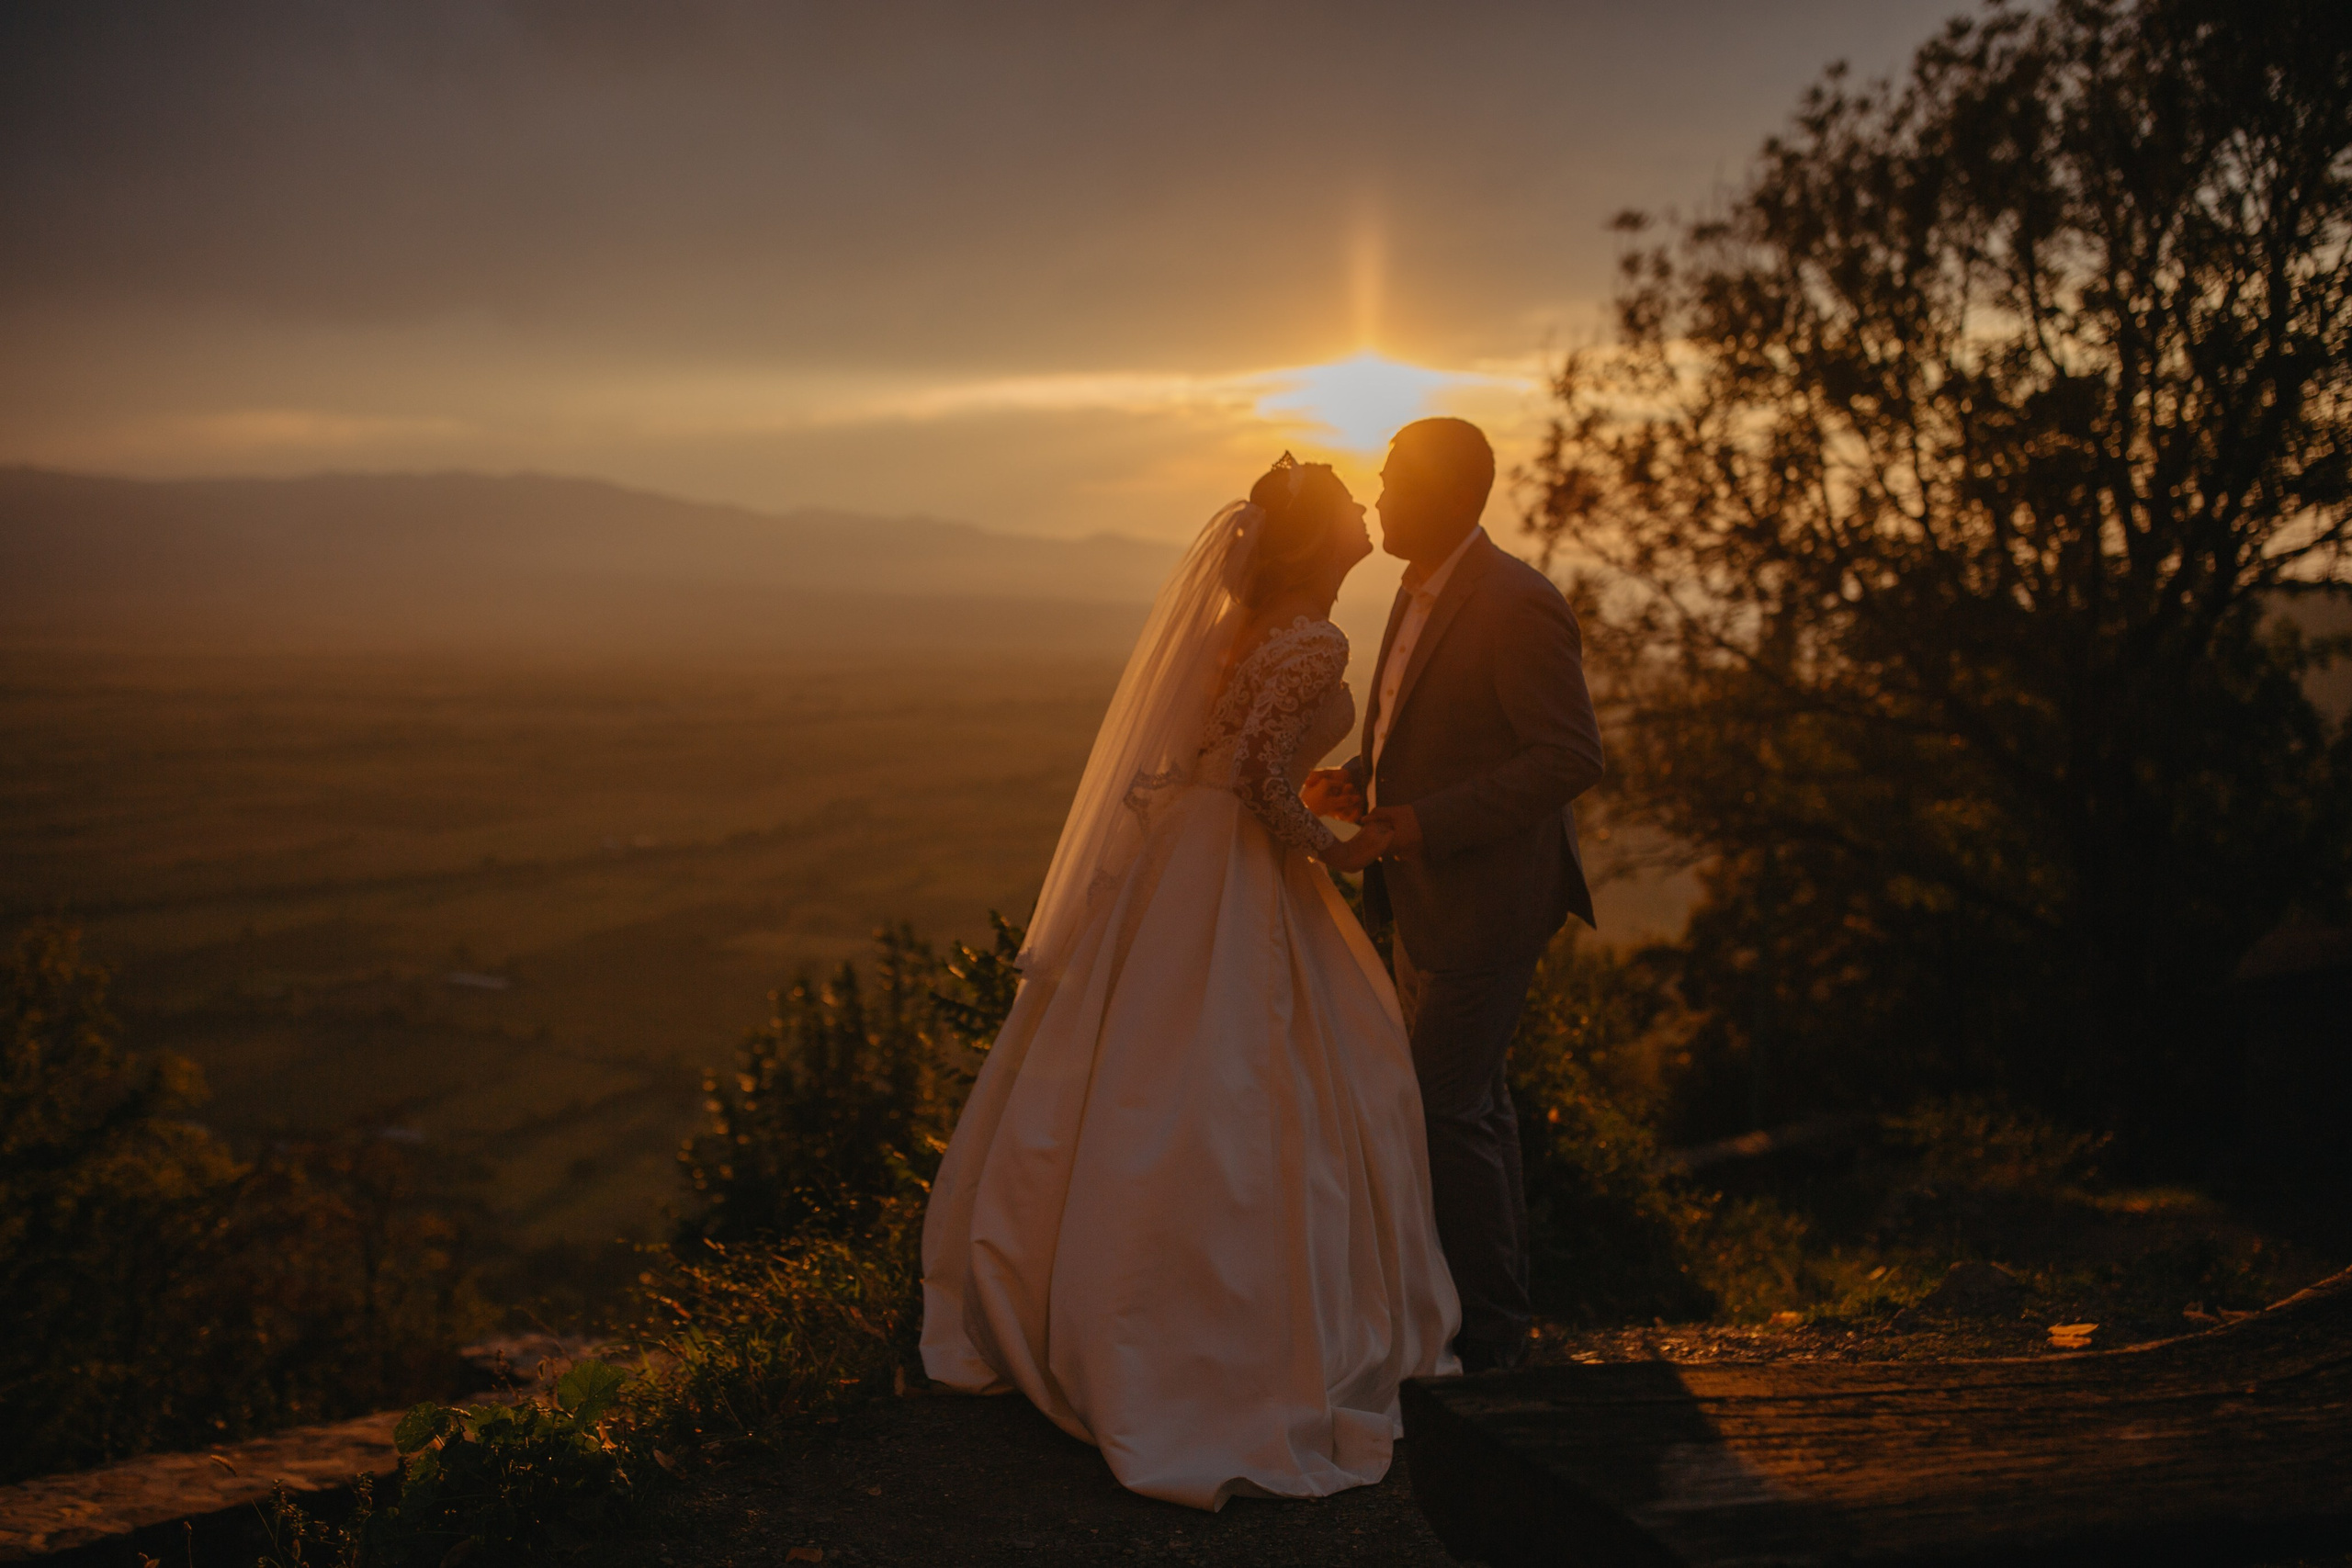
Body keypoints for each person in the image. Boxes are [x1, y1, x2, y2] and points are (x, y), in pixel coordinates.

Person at [921, 454, 1460, 1511]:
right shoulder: (1317, 636)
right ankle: (1219, 1338)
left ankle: (1083, 1295)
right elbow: (1259, 779)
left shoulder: (1250, 632)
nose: (1364, 513)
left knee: (1141, 1069)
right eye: (1350, 504)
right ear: (1320, 542)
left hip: (1187, 859)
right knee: (1251, 1082)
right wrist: (1336, 847)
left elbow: (1228, 757)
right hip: (1243, 872)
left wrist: (1297, 798)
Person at [1305, 417, 1605, 1374]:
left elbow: (1566, 754)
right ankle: (1497, 1322)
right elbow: (1423, 726)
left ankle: (1490, 1346)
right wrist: (1365, 780)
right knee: (1476, 1106)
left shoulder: (1516, 603)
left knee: (1440, 1109)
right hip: (1421, 898)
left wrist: (1421, 821)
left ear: (1441, 495)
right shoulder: (1415, 588)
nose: (1380, 495)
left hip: (1487, 903)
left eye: (1392, 481)